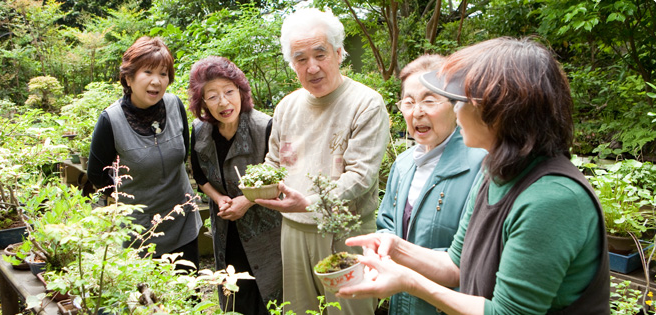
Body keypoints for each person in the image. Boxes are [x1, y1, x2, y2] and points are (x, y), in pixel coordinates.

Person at [338, 37, 609, 314]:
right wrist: (396, 248)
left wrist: (410, 282)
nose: (455, 110)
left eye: (459, 100)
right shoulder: (496, 171)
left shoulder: (552, 199)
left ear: (498, 110)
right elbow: (456, 265)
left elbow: (508, 312)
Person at [255, 8, 390, 315]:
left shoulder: (365, 104)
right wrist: (255, 187)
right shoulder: (287, 106)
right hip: (293, 229)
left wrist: (310, 202)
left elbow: (360, 176)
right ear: (292, 64)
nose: (312, 67)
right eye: (301, 59)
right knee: (299, 310)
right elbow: (274, 162)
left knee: (350, 310)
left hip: (344, 229)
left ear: (339, 53)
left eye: (320, 54)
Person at [376, 55, 486, 315]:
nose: (417, 112)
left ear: (456, 104)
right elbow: (386, 224)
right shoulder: (403, 164)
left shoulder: (482, 165)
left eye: (429, 100)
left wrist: (404, 257)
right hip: (401, 303)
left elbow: (474, 255)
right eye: (409, 102)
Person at [87, 36, 201, 270]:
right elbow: (97, 176)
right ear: (128, 77)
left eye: (163, 73)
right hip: (139, 231)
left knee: (188, 299)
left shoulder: (175, 106)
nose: (156, 81)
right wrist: (128, 199)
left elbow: (183, 153)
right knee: (146, 303)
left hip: (183, 221)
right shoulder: (111, 120)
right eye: (147, 72)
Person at [188, 56, 282, 315]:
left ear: (241, 91)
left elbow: (281, 176)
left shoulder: (264, 126)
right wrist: (219, 199)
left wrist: (246, 200)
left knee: (269, 297)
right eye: (213, 96)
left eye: (229, 92)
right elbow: (200, 176)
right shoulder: (199, 131)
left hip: (265, 231)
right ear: (203, 102)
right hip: (226, 229)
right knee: (234, 295)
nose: (224, 102)